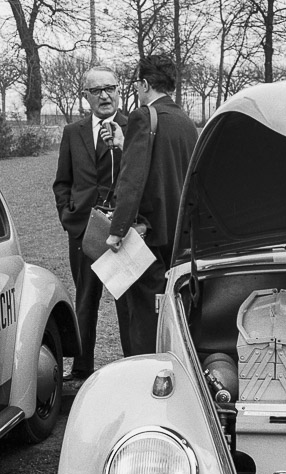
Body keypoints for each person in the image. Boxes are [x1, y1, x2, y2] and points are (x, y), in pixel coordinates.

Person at [106, 54, 198, 356]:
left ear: (145, 83)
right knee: (171, 313)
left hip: (148, 237)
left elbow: (132, 179)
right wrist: (125, 143)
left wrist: (117, 230)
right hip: (180, 238)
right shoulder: (186, 122)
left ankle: (143, 376)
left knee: (143, 317)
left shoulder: (143, 115)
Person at [52, 66, 130, 380]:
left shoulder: (134, 128)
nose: (104, 95)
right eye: (96, 90)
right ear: (86, 96)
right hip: (84, 231)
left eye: (109, 88)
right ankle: (82, 368)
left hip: (124, 231)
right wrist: (69, 218)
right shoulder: (74, 132)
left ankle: (135, 367)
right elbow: (62, 182)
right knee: (86, 300)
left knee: (128, 304)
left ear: (119, 90)